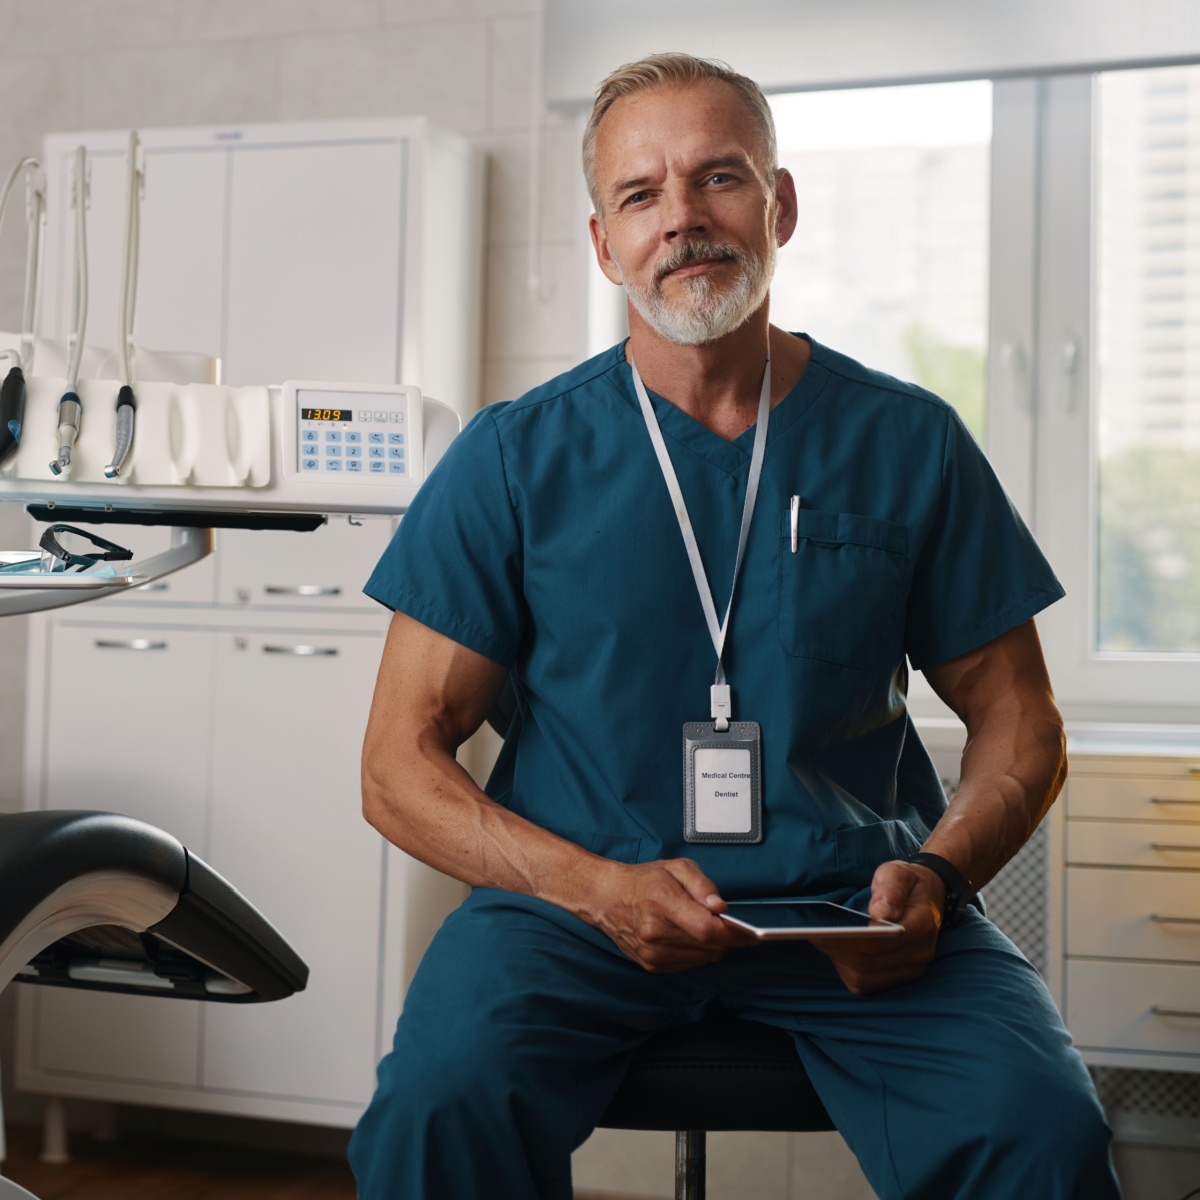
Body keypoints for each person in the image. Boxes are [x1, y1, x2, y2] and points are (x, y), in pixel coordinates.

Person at [348, 52, 1121, 1200]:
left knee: (1044, 1132)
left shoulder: (908, 443)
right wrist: (591, 888)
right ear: (605, 243)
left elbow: (1022, 722)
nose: (684, 220)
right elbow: (395, 766)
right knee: (433, 1115)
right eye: (642, 194)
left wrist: (942, 875)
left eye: (719, 179)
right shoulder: (514, 459)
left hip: (854, 904)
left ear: (781, 205)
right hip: (572, 915)